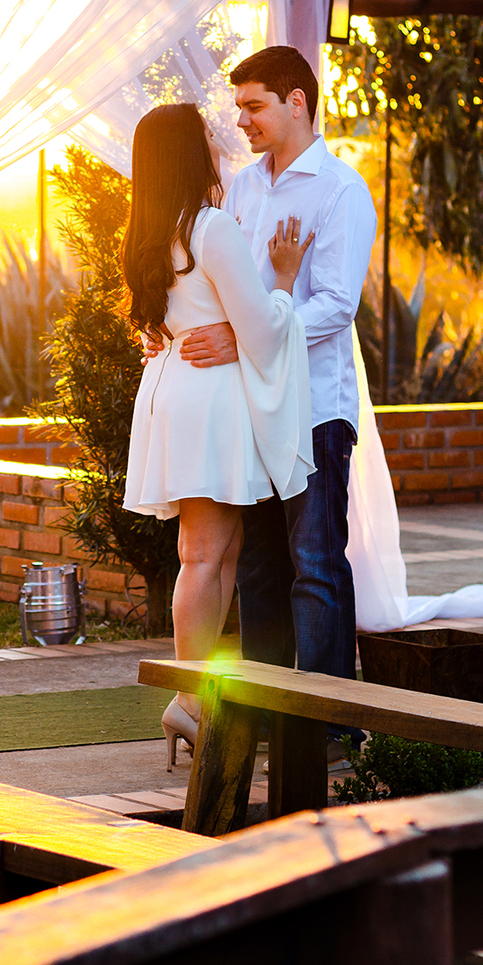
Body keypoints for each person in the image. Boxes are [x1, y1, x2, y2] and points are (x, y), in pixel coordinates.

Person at [176, 47, 377, 711]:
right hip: (251, 407)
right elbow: (226, 285)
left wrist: (243, 335)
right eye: (238, 109)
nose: (243, 121)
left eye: (255, 106)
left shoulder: (341, 190)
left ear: (297, 103)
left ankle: (330, 730)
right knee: (259, 571)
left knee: (315, 569)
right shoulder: (243, 186)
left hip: (314, 409)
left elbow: (336, 307)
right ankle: (266, 719)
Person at [121, 102, 315, 767]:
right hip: (206, 403)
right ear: (185, 153)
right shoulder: (209, 228)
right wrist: (284, 281)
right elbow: (259, 326)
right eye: (206, 134)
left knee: (217, 551)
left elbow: (167, 324)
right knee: (207, 554)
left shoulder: (150, 232)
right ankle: (190, 699)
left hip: (177, 392)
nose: (217, 142)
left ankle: (196, 698)